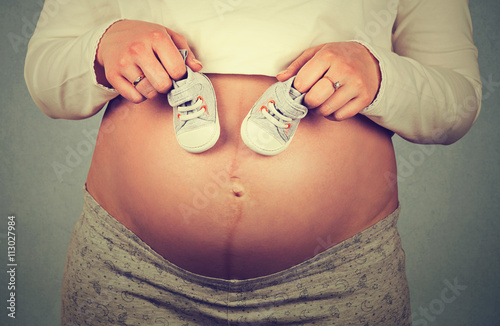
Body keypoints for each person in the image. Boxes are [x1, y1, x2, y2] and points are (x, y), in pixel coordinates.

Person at [24, 0, 481, 325]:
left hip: (337, 283)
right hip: (134, 275)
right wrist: (101, 48)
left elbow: (458, 103)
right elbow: (45, 74)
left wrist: (381, 74)